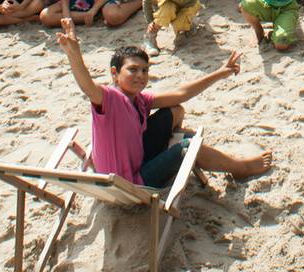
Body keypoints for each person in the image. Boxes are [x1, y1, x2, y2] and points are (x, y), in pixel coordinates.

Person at [56, 20, 272, 188]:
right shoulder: (110, 98)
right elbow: (87, 86)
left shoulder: (138, 99)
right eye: (133, 70)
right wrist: (74, 54)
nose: (140, 75)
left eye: (144, 70)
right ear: (114, 74)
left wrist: (219, 73)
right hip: (129, 181)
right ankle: (240, 167)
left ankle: (176, 142)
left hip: (136, 157)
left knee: (174, 111)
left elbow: (180, 94)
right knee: (187, 147)